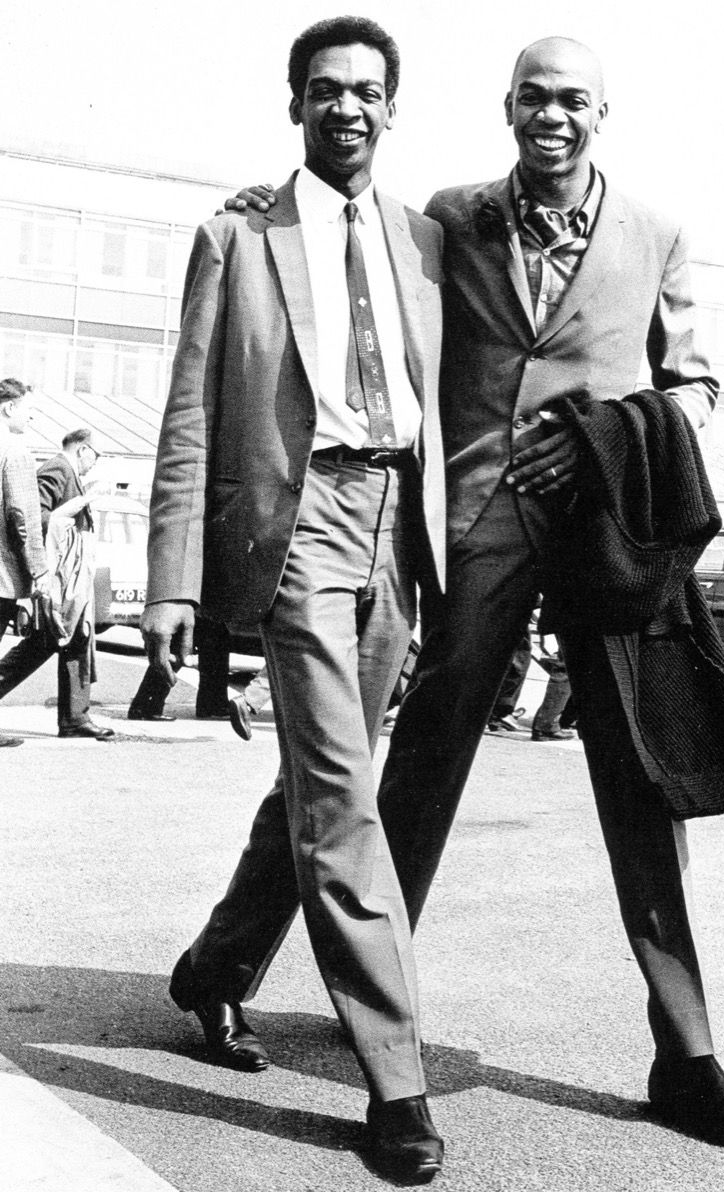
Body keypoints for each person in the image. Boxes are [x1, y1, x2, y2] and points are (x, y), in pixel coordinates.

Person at [230, 34, 724, 1152]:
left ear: (602, 113)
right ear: (507, 109)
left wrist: (607, 438)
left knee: (642, 790)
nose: (553, 117)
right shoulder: (450, 218)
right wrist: (266, 208)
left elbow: (700, 386)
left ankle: (687, 1056)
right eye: (534, 98)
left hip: (608, 541)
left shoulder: (658, 234)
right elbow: (355, 255)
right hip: (475, 528)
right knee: (409, 775)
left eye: (573, 100)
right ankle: (326, 984)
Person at [141, 17, 446, 1183]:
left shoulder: (425, 241)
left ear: (391, 106)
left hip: (394, 532)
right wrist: (173, 581)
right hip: (300, 519)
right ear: (294, 106)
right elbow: (185, 412)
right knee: (342, 799)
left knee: (325, 785)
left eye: (368, 91)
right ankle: (396, 1077)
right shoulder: (239, 236)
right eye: (325, 90)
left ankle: (215, 970)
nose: (347, 108)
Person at [0, 425, 115, 740]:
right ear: (82, 449)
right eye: (97, 455)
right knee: (46, 642)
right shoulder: (57, 468)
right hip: (58, 578)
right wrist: (85, 499)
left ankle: (76, 718)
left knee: (76, 639)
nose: (96, 462)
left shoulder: (68, 471)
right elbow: (37, 518)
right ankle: (75, 718)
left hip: (70, 578)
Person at [0, 379, 50, 747]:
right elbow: (22, 516)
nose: (33, 415)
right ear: (8, 408)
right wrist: (39, 569)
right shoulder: (15, 450)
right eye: (29, 408)